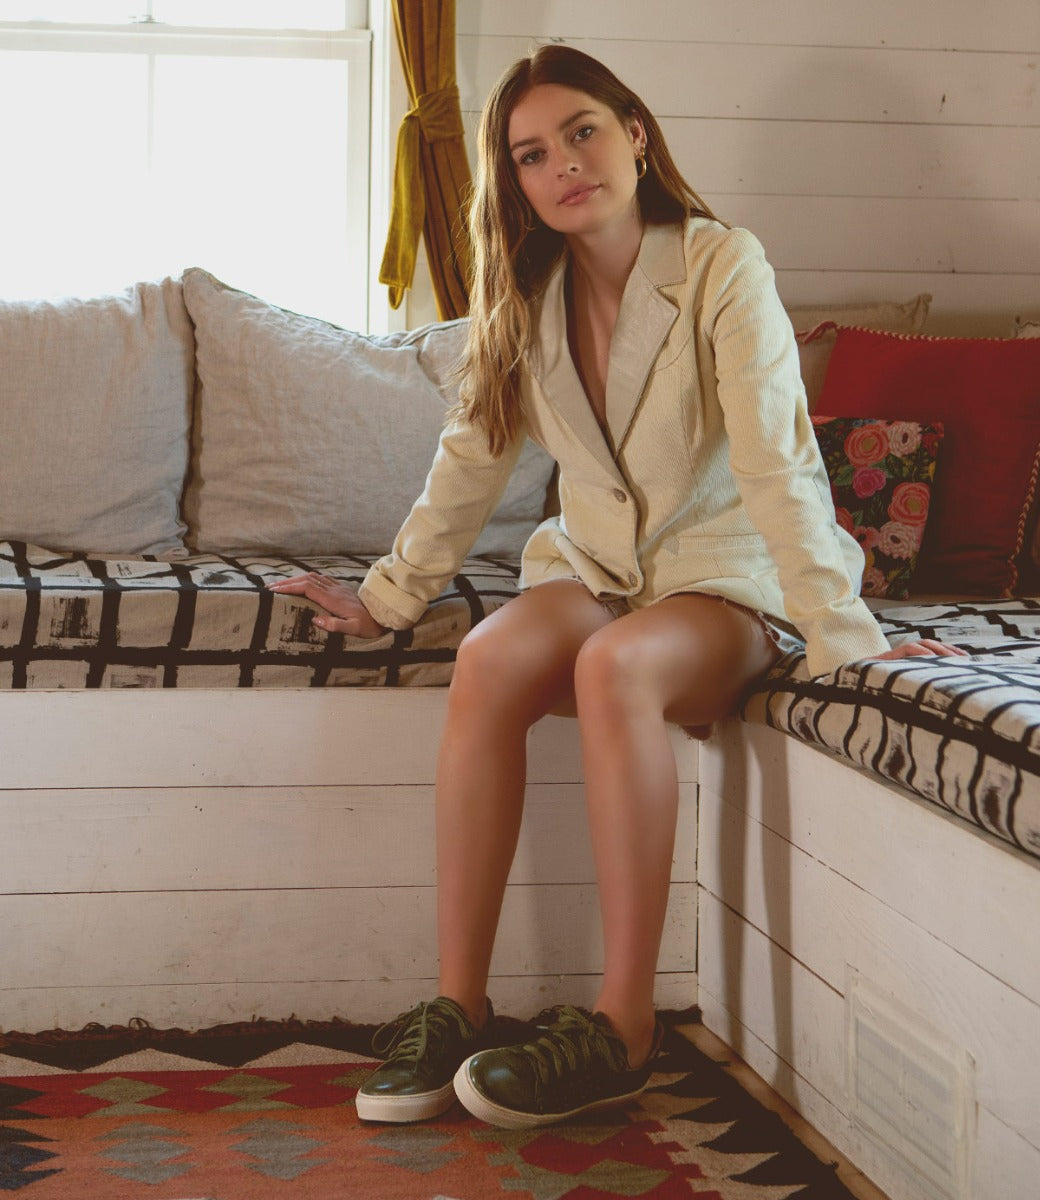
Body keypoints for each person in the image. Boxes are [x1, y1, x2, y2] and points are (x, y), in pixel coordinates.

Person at [268, 45, 965, 1130]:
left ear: (634, 130)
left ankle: (621, 1026)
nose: (564, 166)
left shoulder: (721, 265)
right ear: (515, 182)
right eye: (531, 153)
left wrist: (845, 630)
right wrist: (391, 596)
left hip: (725, 581)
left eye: (582, 131)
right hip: (596, 567)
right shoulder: (522, 297)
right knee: (489, 655)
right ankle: (457, 1004)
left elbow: (780, 459)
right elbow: (467, 463)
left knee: (614, 665)